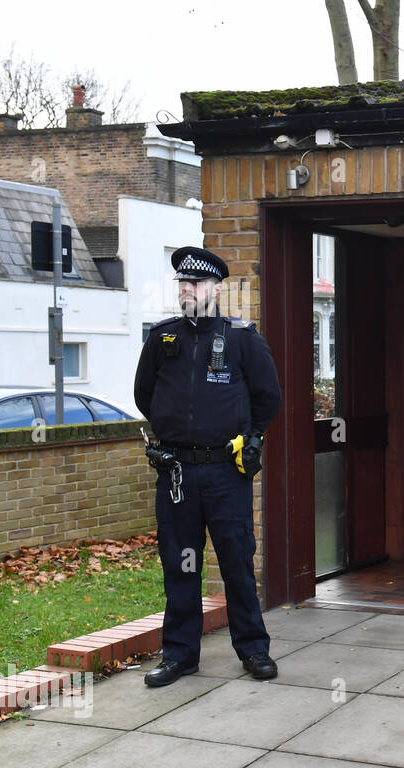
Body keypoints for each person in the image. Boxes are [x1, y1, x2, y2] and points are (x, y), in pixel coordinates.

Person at [133, 246, 282, 687]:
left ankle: (254, 649)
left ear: (216, 289)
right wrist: (170, 429)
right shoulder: (162, 338)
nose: (186, 290)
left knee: (236, 561)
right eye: (182, 283)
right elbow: (145, 395)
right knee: (180, 565)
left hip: (225, 472)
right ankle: (179, 655)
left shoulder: (240, 338)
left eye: (195, 284)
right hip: (177, 472)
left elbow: (268, 396)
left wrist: (251, 436)